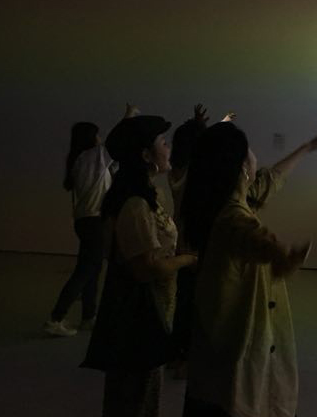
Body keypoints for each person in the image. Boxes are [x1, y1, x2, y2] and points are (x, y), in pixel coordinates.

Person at [181, 123, 317, 417]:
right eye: (249, 152)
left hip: (214, 354)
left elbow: (271, 178)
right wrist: (283, 256)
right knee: (238, 400)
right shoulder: (232, 217)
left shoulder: (222, 202)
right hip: (236, 349)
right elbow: (252, 237)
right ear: (241, 168)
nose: (255, 158)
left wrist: (307, 148)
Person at [81, 113, 198, 417]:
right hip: (138, 315)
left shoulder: (144, 195)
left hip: (150, 309)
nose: (168, 148)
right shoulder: (135, 203)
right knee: (136, 396)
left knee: (141, 393)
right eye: (163, 143)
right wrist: (187, 259)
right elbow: (146, 268)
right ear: (145, 155)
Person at [44, 105, 137, 337]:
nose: (100, 138)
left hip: (85, 221)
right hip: (93, 222)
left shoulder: (81, 160)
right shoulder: (92, 156)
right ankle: (56, 318)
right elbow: (116, 140)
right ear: (90, 138)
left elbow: (112, 165)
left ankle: (88, 316)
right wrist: (128, 116)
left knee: (93, 269)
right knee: (86, 270)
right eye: (97, 134)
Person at [168, 104, 234, 379]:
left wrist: (202, 124)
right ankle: (186, 357)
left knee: (185, 299)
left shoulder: (176, 171)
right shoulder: (195, 174)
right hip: (196, 245)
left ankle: (179, 354)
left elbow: (200, 144)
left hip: (183, 244)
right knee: (195, 303)